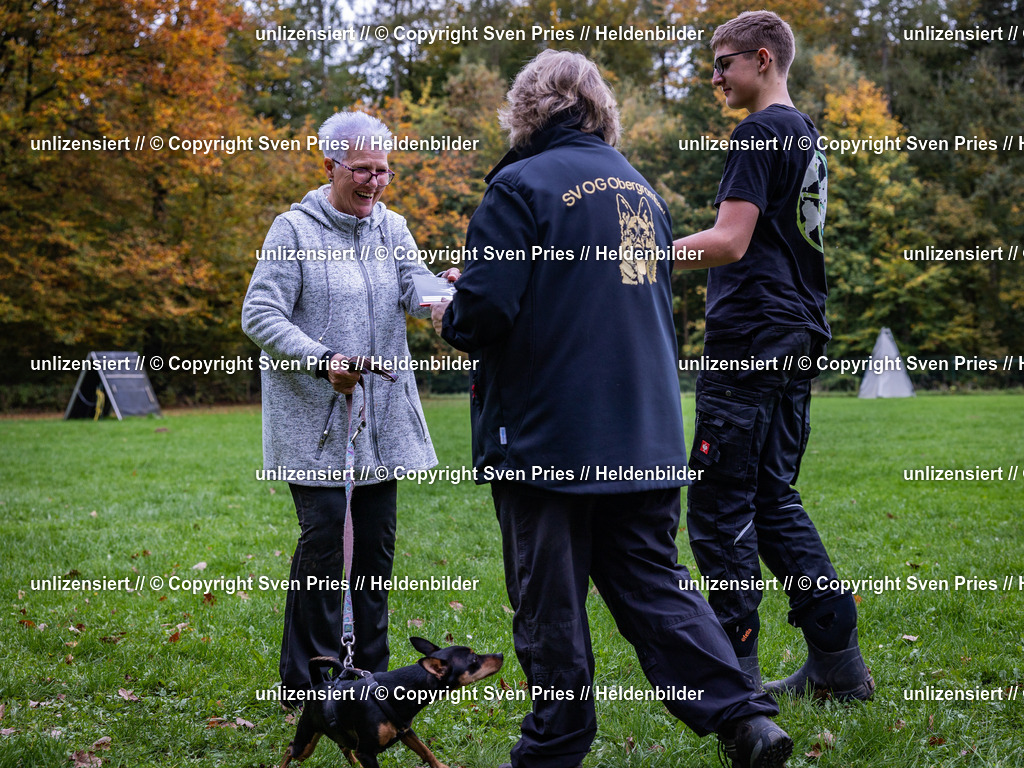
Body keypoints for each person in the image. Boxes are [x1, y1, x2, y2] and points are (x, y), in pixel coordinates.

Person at [432, 49, 792, 768]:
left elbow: (486, 314)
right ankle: (745, 720)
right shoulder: (641, 191)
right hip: (644, 434)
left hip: (548, 438)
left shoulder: (518, 186)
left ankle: (554, 747)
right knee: (657, 587)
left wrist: (450, 308)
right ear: (600, 108)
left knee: (551, 604)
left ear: (525, 109)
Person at [671, 11, 874, 701]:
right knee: (772, 498)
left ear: (762, 59)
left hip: (751, 336)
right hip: (796, 331)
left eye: (723, 62)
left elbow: (730, 241)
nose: (715, 76)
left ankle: (738, 682)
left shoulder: (758, 133)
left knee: (718, 506)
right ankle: (837, 664)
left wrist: (642, 255)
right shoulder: (806, 134)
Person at [242, 110, 455, 702]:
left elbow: (415, 287)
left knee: (375, 549)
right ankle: (310, 684)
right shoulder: (293, 230)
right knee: (325, 546)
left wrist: (448, 291)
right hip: (314, 425)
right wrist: (322, 358)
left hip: (381, 425)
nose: (375, 182)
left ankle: (371, 680)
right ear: (330, 165)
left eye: (383, 171)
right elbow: (259, 314)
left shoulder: (392, 226)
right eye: (362, 169)